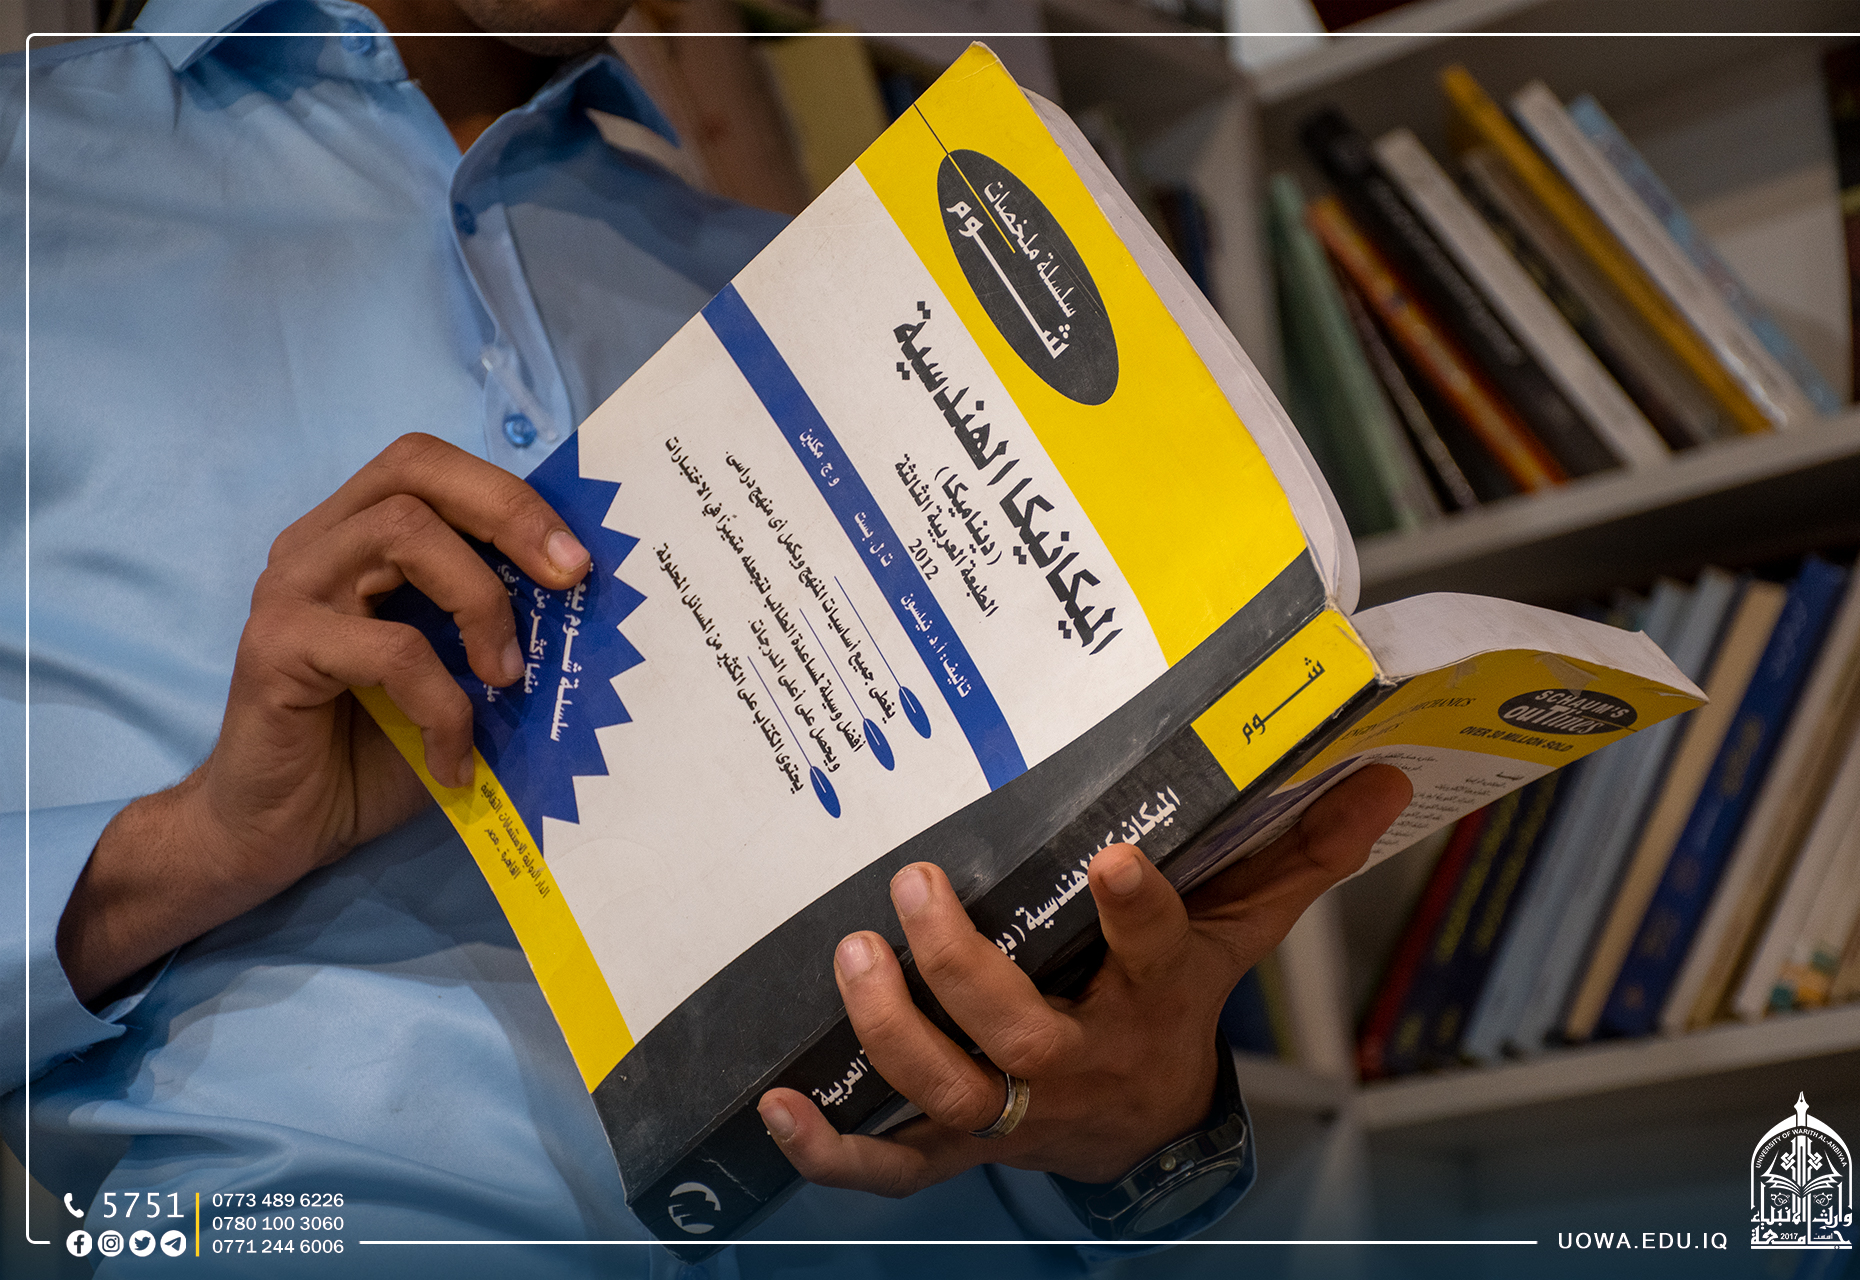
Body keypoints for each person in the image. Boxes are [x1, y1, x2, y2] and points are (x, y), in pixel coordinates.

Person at [0, 1, 1411, 1275]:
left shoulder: (802, 281)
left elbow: (1082, 1147)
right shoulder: (34, 177)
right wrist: (196, 847)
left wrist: (1144, 1122)